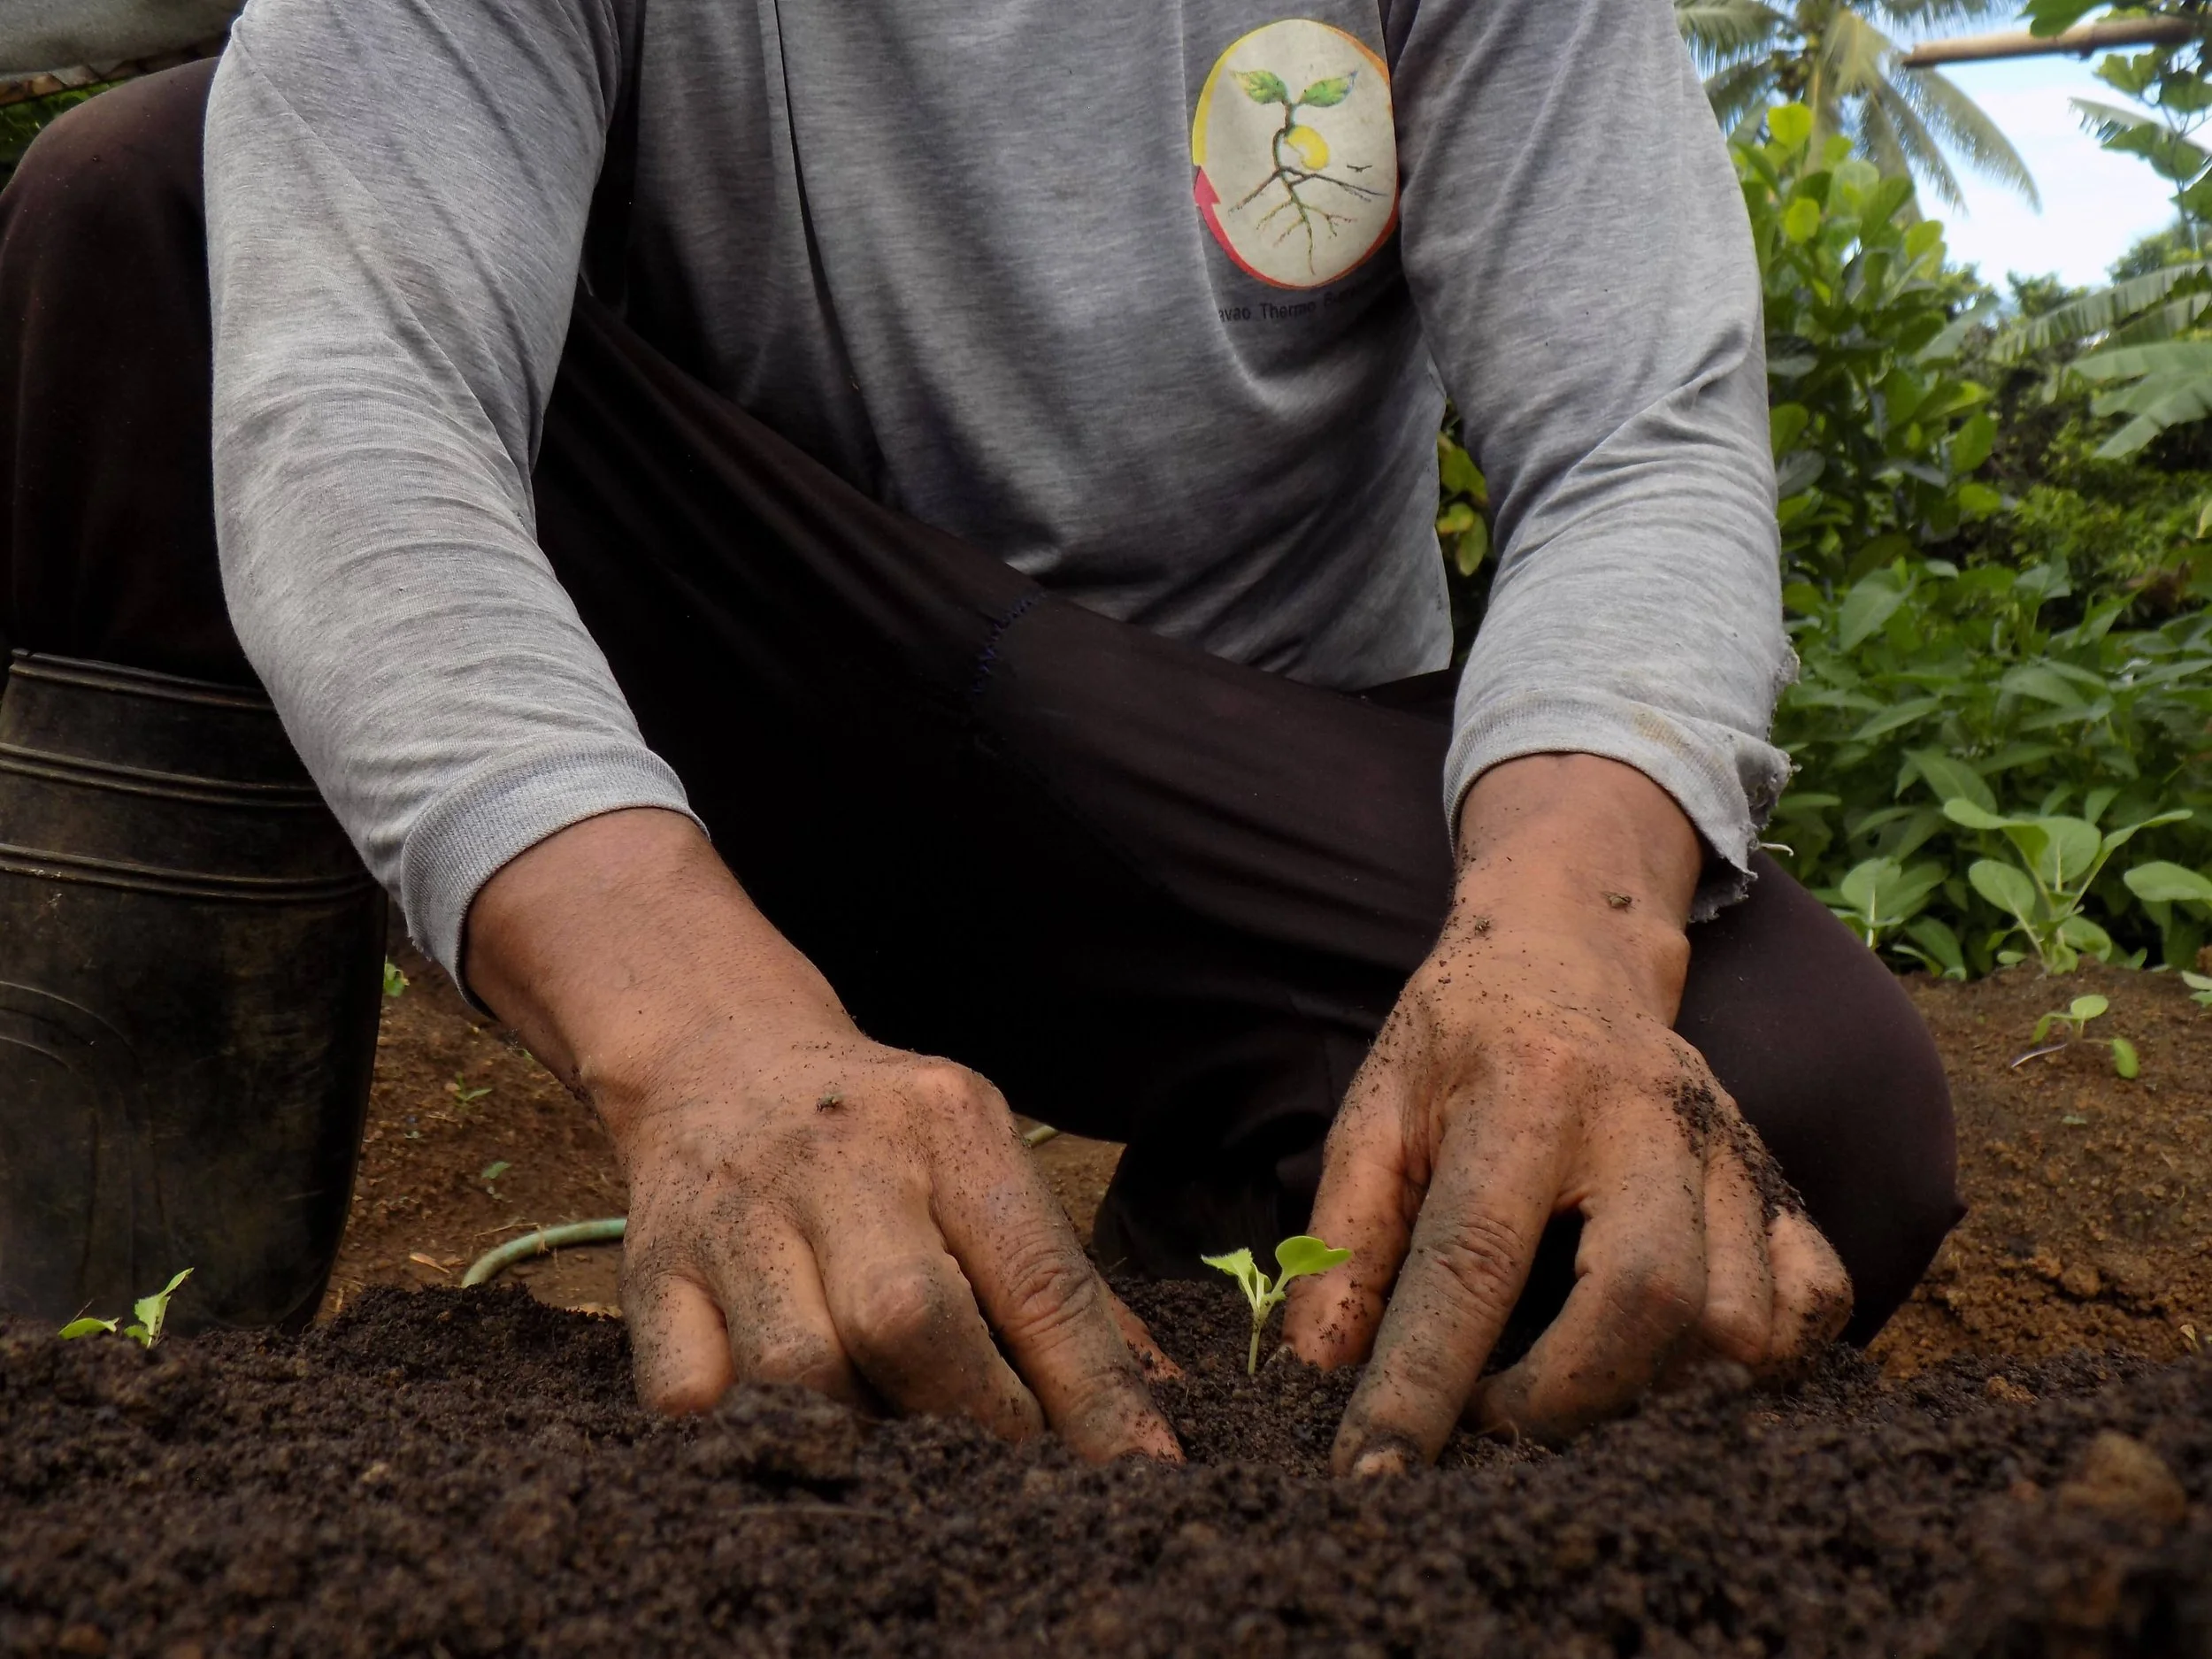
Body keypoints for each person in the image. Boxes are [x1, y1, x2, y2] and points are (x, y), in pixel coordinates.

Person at [0, 0, 1960, 1473]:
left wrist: (1562, 943)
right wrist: (693, 1027)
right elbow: (361, 397)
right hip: (732, 697)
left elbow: (1635, 443)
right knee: (145, 207)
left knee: (1781, 1109)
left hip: (1227, 771)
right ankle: (118, 1380)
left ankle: (1226, 1275)